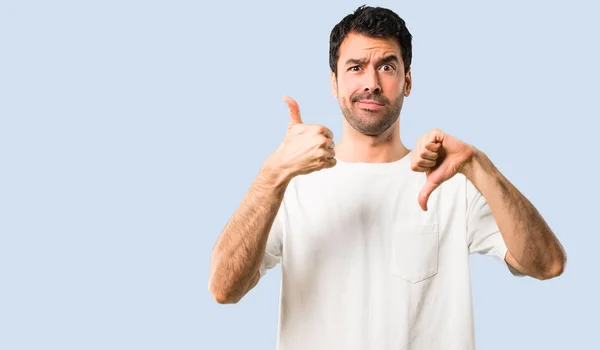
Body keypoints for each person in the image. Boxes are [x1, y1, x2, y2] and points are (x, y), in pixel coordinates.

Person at [208, 5, 567, 350]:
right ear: (334, 82)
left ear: (407, 81)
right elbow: (224, 288)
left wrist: (479, 165)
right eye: (355, 67)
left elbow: (548, 264)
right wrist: (274, 173)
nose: (372, 83)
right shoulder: (290, 187)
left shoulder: (452, 182)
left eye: (387, 66)